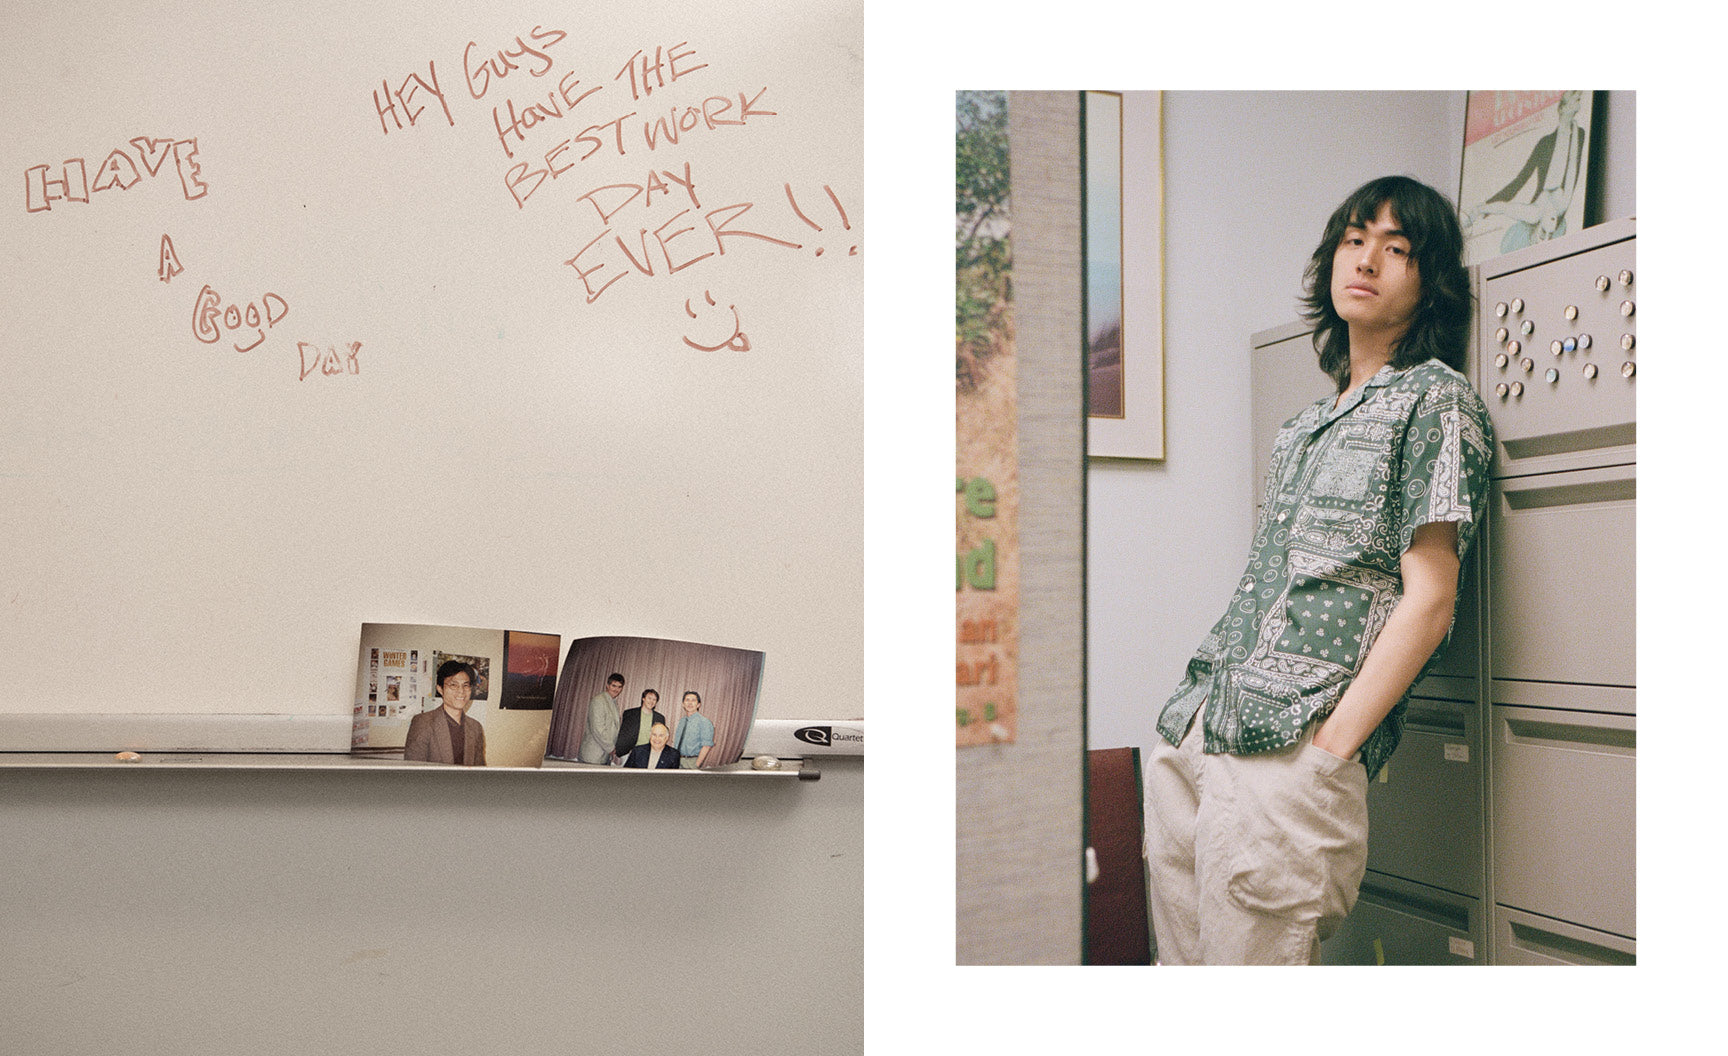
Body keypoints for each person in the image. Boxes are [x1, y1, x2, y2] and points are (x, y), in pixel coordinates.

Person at [1143, 175, 1493, 965]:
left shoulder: (1435, 401)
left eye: (1396, 248)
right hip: (1199, 728)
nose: (1367, 259)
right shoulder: (1302, 426)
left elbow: (1431, 601)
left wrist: (1331, 751)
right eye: (1354, 239)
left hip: (1290, 751)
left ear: (1427, 278)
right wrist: (1191, 725)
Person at [404, 660, 487, 766]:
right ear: (440, 689)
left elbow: (479, 771)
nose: (461, 691)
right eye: (453, 685)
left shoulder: (476, 727)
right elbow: (414, 773)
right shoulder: (423, 723)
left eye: (466, 685)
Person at [578, 673, 626, 764]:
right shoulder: (598, 701)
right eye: (614, 686)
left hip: (604, 754)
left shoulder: (613, 702)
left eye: (619, 687)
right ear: (607, 685)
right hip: (593, 755)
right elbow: (598, 729)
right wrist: (611, 748)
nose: (616, 689)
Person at [614, 689, 668, 759]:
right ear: (643, 699)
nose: (651, 701)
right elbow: (623, 734)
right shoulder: (630, 713)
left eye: (654, 700)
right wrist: (619, 750)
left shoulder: (660, 718)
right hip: (629, 753)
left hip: (649, 754)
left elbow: (661, 738)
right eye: (649, 698)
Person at [672, 690, 716, 769]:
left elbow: (706, 746)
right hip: (678, 760)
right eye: (687, 700)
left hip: (692, 762)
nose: (690, 703)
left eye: (693, 700)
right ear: (683, 704)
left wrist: (696, 765)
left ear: (698, 704)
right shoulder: (682, 721)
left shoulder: (704, 722)